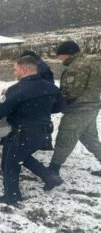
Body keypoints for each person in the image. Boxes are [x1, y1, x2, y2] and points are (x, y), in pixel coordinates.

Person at [0, 56, 66, 204]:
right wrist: (40, 112)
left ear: (24, 69)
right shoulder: (51, 87)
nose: (14, 72)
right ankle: (50, 177)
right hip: (43, 133)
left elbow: (2, 109)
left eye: (15, 69)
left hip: (23, 133)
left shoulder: (18, 89)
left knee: (9, 164)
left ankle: (12, 196)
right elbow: (60, 107)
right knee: (20, 157)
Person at [48, 41, 101, 177]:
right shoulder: (91, 63)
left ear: (68, 54)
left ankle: (52, 171)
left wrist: (55, 102)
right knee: (90, 139)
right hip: (91, 106)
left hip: (78, 109)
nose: (59, 59)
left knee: (65, 137)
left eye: (60, 56)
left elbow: (71, 92)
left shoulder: (76, 67)